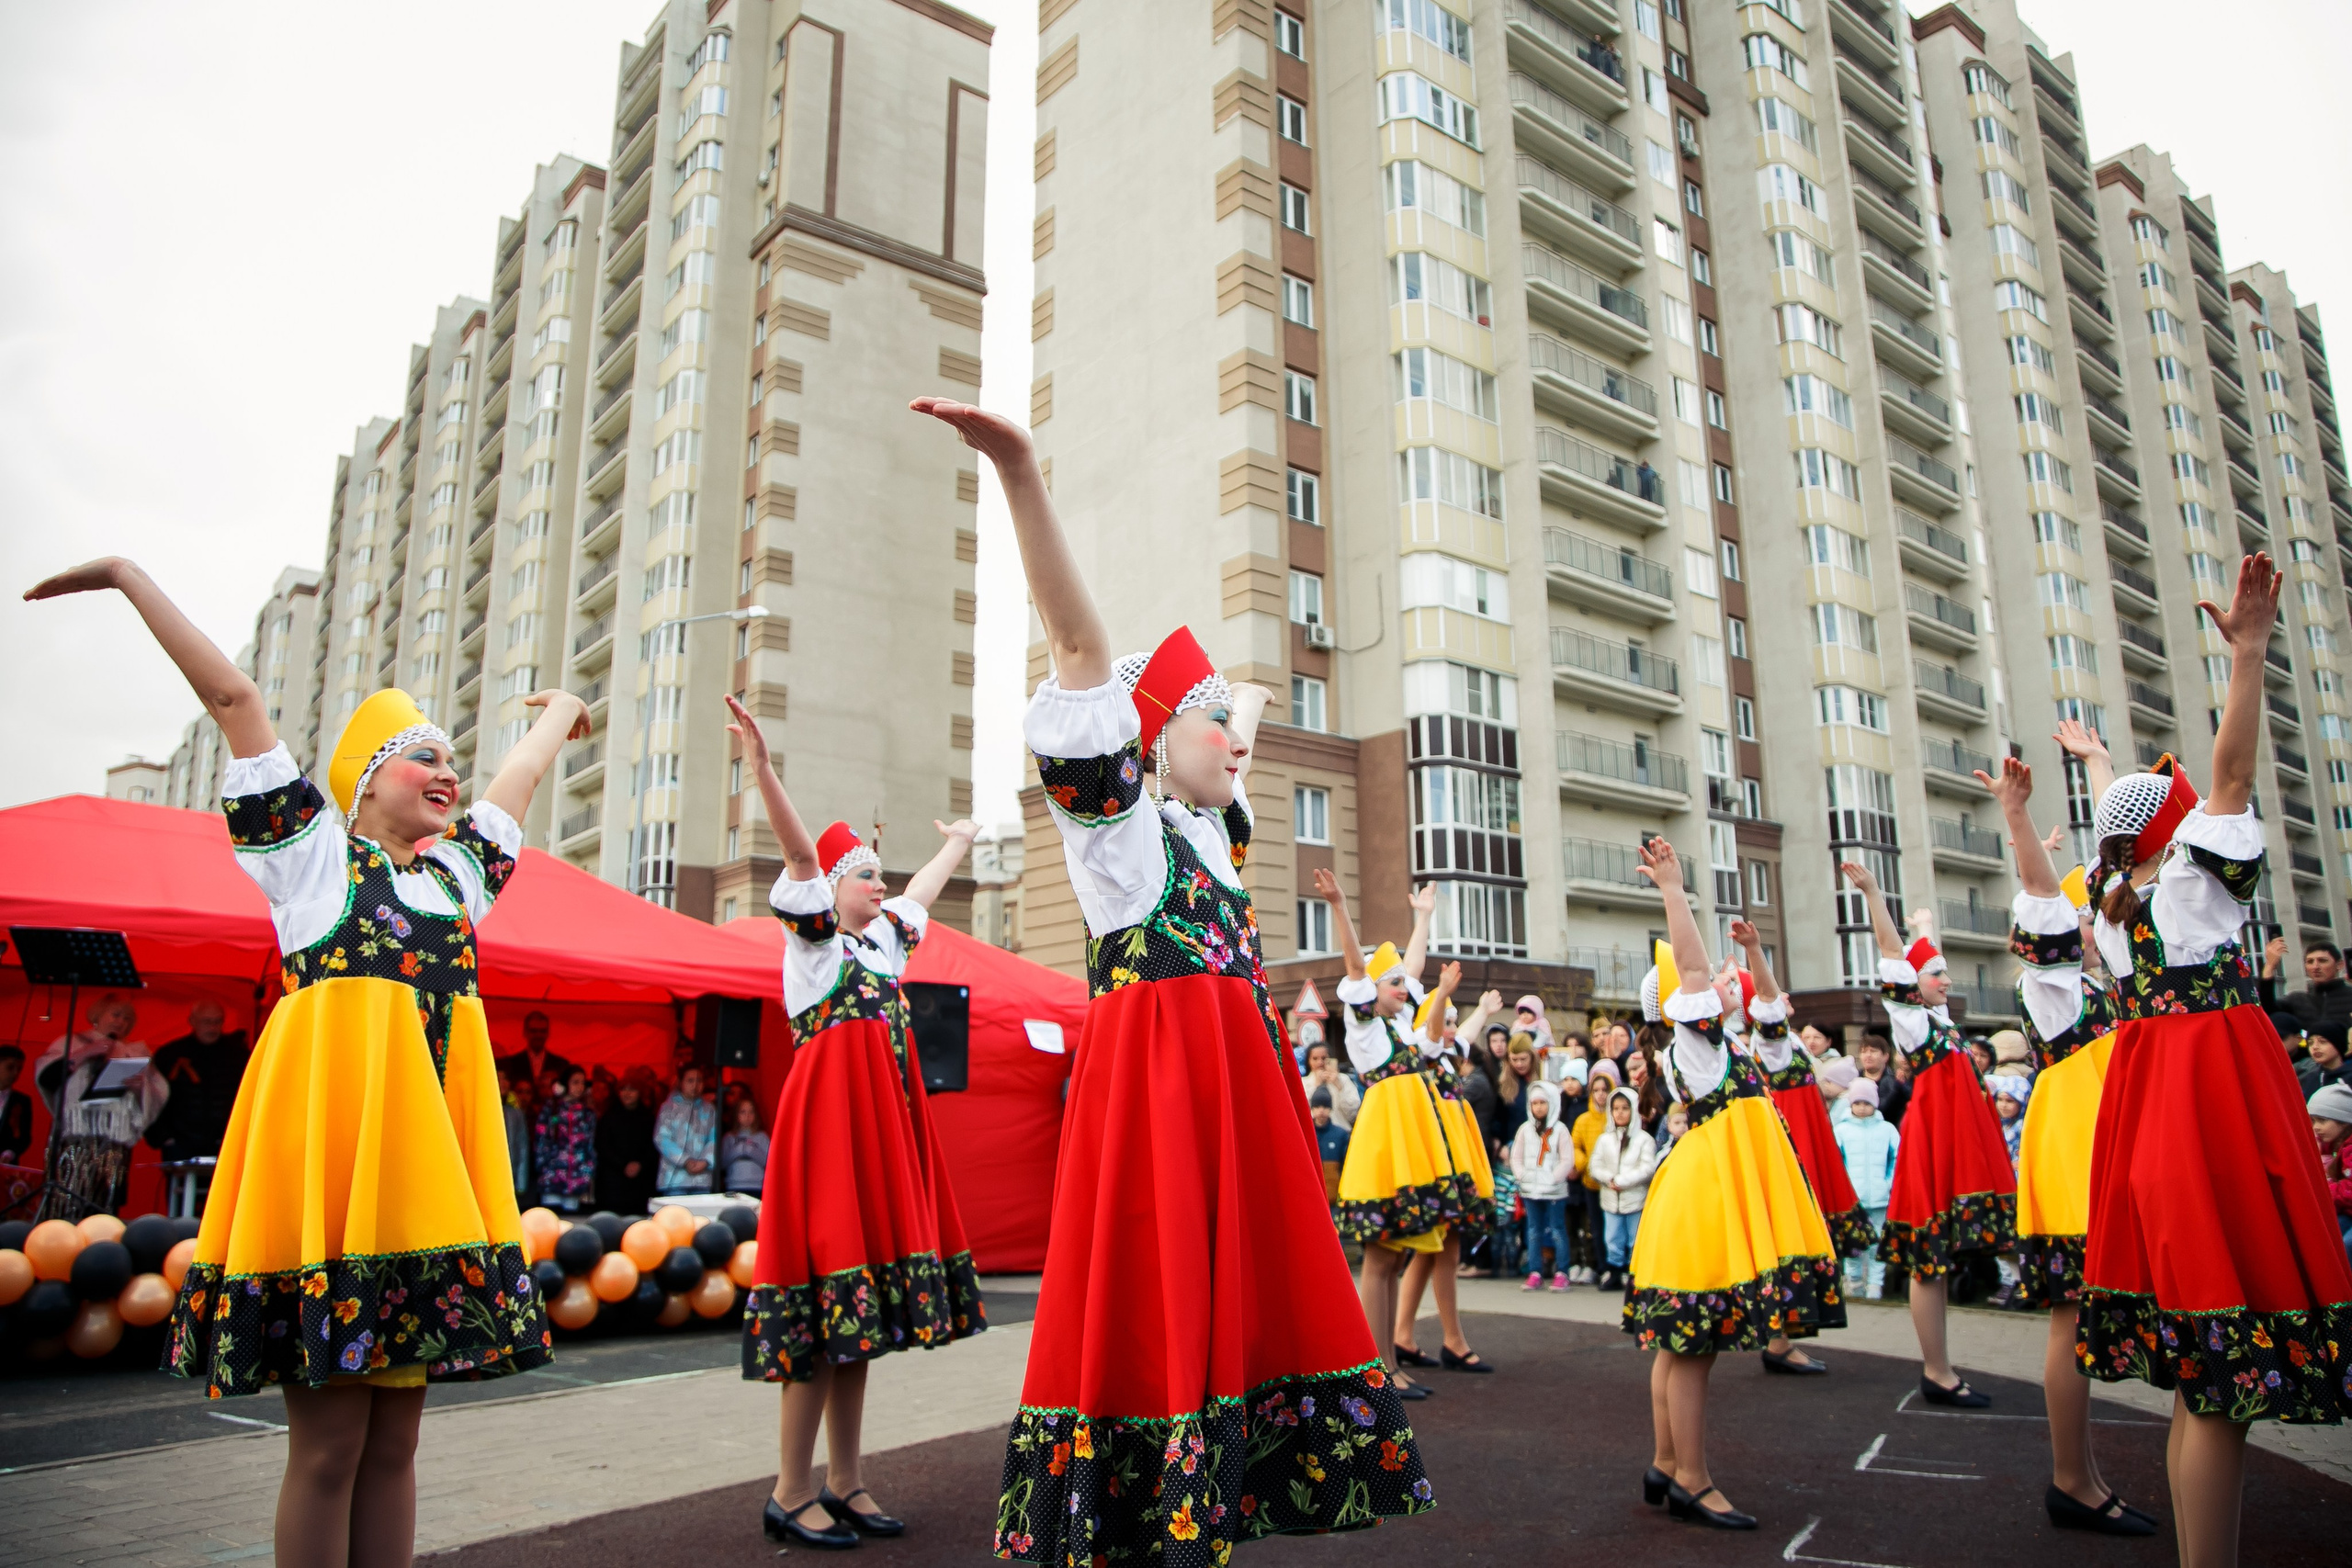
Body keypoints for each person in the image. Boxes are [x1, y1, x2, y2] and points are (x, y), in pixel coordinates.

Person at [915, 396, 1427, 1563]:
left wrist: (1229, 706)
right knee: (1160, 1319)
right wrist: (1022, 474)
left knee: (1235, 1327)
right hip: (1159, 1122)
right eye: (1209, 723)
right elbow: (1081, 654)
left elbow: (1232, 725)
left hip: (1229, 1117)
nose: (1236, 740)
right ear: (1145, 740)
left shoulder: (1210, 839)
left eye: (1232, 725)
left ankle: (1207, 1504)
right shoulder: (1125, 843)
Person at [28, 556, 576, 1568]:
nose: (449, 773)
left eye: (452, 759)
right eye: (423, 757)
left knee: (396, 1447)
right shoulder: (312, 862)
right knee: (327, 1451)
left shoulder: (455, 883)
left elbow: (520, 781)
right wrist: (129, 578)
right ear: (364, 780)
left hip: (421, 1203)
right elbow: (234, 698)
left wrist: (566, 711)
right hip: (333, 1197)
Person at [2075, 556, 2352, 1564]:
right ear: (2176, 827)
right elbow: (2229, 773)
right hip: (2214, 1109)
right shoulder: (2192, 879)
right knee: (2225, 1381)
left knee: (2204, 1377)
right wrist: (2248, 654)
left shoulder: (2111, 907)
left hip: (2152, 1113)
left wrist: (2101, 768)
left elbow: (2127, 835)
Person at [729, 692, 987, 1548]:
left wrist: (958, 842)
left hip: (876, 1141)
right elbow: (802, 851)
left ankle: (844, 1479)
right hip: (828, 1145)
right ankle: (789, 1489)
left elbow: (923, 891)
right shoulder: (813, 947)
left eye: (881, 875)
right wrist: (764, 772)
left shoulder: (883, 947)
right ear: (832, 889)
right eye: (865, 874)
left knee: (856, 1323)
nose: (881, 883)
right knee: (819, 1316)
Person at [1623, 840, 1841, 1532]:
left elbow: (1757, 997)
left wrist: (1747, 955)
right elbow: (1690, 967)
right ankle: (1691, 1478)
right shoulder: (1696, 1038)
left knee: (1680, 1343)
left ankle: (1667, 1461)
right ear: (1683, 1002)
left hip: (1701, 1189)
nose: (1724, 977)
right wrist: (1673, 888)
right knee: (1694, 1344)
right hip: (1708, 1195)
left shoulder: (1723, 1042)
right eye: (1717, 977)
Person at [1838, 855, 2017, 1410]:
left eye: (1944, 972)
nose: (1947, 980)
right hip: (1933, 1144)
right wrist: (1874, 895)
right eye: (1936, 975)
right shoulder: (1912, 1020)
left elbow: (1919, 958)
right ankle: (1936, 1371)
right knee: (1927, 1260)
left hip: (1953, 1142)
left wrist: (1925, 928)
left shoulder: (1940, 1021)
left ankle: (1941, 1369)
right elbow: (1896, 956)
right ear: (1913, 986)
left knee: (1936, 1262)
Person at [1321, 873, 1468, 1394]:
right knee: (1381, 1257)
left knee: (1391, 1256)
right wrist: (1340, 906)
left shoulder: (1401, 1026)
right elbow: (1358, 968)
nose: (1403, 989)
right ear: (1373, 991)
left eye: (1403, 986)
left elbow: (1413, 975)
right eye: (1394, 984)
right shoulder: (1364, 1026)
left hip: (1407, 1139)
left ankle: (1386, 1364)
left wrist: (1423, 919)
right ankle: (1379, 1367)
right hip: (1386, 1140)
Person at [1730, 922, 1862, 1375]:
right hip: (1794, 1146)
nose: (1783, 994)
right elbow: (1768, 1002)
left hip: (1800, 1141)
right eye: (1772, 989)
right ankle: (1779, 1342)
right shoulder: (1771, 1041)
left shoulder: (1780, 1041)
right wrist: (1754, 949)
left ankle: (1781, 1338)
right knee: (1789, 1240)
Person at [1395, 954, 1498, 1366]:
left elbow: (1459, 1033)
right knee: (1441, 1248)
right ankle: (1450, 1340)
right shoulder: (1426, 1054)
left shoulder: (1445, 1055)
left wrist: (1483, 1011)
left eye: (1455, 1021)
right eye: (1447, 1021)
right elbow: (1436, 1030)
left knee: (1435, 1249)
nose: (1453, 1028)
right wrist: (1441, 997)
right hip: (1439, 1159)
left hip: (1452, 1156)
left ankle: (1406, 1335)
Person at [31, 992, 166, 1217]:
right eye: (116, 1015)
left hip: (113, 1142)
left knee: (105, 1204)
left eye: (127, 1019)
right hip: (76, 1138)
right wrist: (84, 1053)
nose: (121, 1022)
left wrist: (139, 1089)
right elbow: (46, 1079)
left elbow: (158, 1093)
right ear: (98, 1016)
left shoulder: (136, 1051)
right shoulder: (70, 1043)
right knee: (67, 1200)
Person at [145, 1001, 250, 1165]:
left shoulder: (239, 1056)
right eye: (207, 1021)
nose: (213, 1027)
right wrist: (163, 1138)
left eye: (218, 1021)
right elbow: (152, 1098)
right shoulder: (169, 1054)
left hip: (226, 1140)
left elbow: (250, 1097)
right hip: (180, 1142)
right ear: (192, 1021)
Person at [1588, 1084, 1657, 1290]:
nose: (1619, 1113)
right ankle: (1614, 1271)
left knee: (1634, 1238)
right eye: (1616, 1108)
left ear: (1634, 1110)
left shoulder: (1644, 1140)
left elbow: (1647, 1168)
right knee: (1612, 1237)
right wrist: (1609, 1179)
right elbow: (1595, 1165)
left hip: (1634, 1198)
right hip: (1611, 1199)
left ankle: (1633, 1272)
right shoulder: (1605, 1139)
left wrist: (1622, 1181)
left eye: (1625, 1108)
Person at [1833, 1081, 1898, 1300]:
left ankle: (1875, 1285)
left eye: (1867, 1103)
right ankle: (1854, 1282)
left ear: (1875, 1104)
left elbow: (1896, 1159)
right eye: (1857, 1103)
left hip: (1880, 1199)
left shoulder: (1887, 1130)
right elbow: (1836, 1163)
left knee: (1877, 1243)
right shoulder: (1841, 1131)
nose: (1862, 1107)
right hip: (1852, 1201)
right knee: (1853, 1242)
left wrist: (1888, 1183)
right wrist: (1846, 1189)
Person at [1509, 1078, 1574, 1289]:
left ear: (1552, 1103)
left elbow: (1567, 1160)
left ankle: (1562, 1271)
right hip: (1531, 1190)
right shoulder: (1525, 1130)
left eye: (1542, 1103)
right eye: (1534, 1103)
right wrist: (1522, 1176)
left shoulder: (1560, 1130)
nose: (1538, 1107)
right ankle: (1535, 1271)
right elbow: (1516, 1157)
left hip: (1554, 1191)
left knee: (1557, 1229)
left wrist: (1553, 1178)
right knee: (1533, 1230)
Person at [2259, 935, 2352, 1047]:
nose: (2315, 967)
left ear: (2340, 965)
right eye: (2310, 962)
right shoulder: (2297, 1000)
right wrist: (2269, 966)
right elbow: (2268, 1010)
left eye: (2322, 961)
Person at [533, 1067, 596, 1213]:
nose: (580, 1087)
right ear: (563, 1085)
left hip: (577, 1179)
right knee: (549, 1218)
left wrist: (587, 1171)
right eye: (575, 1082)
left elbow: (590, 1146)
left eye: (582, 1083)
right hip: (551, 1177)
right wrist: (544, 1167)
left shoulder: (587, 1113)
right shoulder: (550, 1109)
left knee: (572, 1220)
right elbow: (540, 1141)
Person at [594, 1074, 659, 1214]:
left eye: (632, 1089)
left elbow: (654, 1146)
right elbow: (603, 1146)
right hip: (612, 1185)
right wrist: (623, 1165)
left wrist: (640, 1164)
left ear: (640, 1092)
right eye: (623, 1089)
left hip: (640, 1184)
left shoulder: (648, 1119)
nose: (627, 1093)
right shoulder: (608, 1117)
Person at [654, 1063, 718, 1195]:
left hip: (701, 1179)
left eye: (699, 1081)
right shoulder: (668, 1108)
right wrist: (685, 1160)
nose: (695, 1085)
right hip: (674, 1179)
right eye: (690, 1081)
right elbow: (661, 1138)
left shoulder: (709, 1109)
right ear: (681, 1082)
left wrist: (705, 1161)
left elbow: (714, 1138)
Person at [2311, 1082, 2352, 1269]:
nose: (2316, 1127)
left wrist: (2326, 1191)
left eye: (2322, 1120)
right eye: (2313, 1121)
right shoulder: (2333, 1145)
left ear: (2344, 1122)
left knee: (2347, 1244)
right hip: (2347, 1211)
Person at [496, 1011, 576, 1097]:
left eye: (542, 1031)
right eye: (533, 1031)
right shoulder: (509, 1064)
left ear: (548, 1033)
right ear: (525, 1032)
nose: (538, 1035)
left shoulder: (562, 1065)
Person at [1300, 1039, 1361, 1131]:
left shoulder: (1343, 1079)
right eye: (1315, 1059)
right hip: (1314, 1133)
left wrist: (1339, 1086)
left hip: (1342, 1132)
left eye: (1324, 1058)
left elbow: (1353, 1113)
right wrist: (1316, 1085)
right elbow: (1302, 1112)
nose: (1320, 1063)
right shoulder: (1303, 1082)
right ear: (1309, 1061)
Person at [1853, 1032, 1910, 1125]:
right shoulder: (1854, 1080)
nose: (1868, 1055)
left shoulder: (1895, 1081)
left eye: (1873, 1051)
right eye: (1864, 1052)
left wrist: (1900, 1086)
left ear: (1886, 1056)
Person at [719, 1094, 769, 1194]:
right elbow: (722, 1163)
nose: (747, 1116)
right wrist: (738, 1150)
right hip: (734, 1185)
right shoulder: (729, 1137)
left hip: (757, 1185)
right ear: (736, 1115)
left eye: (751, 1112)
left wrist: (751, 1151)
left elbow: (768, 1162)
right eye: (743, 1112)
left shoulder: (762, 1137)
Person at [1309, 1085, 1351, 1171]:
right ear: (1312, 1109)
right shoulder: (1305, 1134)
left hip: (1334, 1179)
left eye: (1325, 1107)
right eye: (1317, 1107)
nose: (1321, 1110)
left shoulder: (1341, 1135)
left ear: (1330, 1109)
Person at [2295, 1032, 2349, 1097]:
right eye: (2310, 1043)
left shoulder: (2349, 1077)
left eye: (2322, 1042)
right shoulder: (2311, 1078)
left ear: (2338, 1044)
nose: (2315, 1047)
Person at [0, 1047, 29, 1165]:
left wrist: (10, 1153)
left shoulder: (22, 1101)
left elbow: (24, 1137)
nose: (15, 1073)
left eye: (19, 1069)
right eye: (10, 1067)